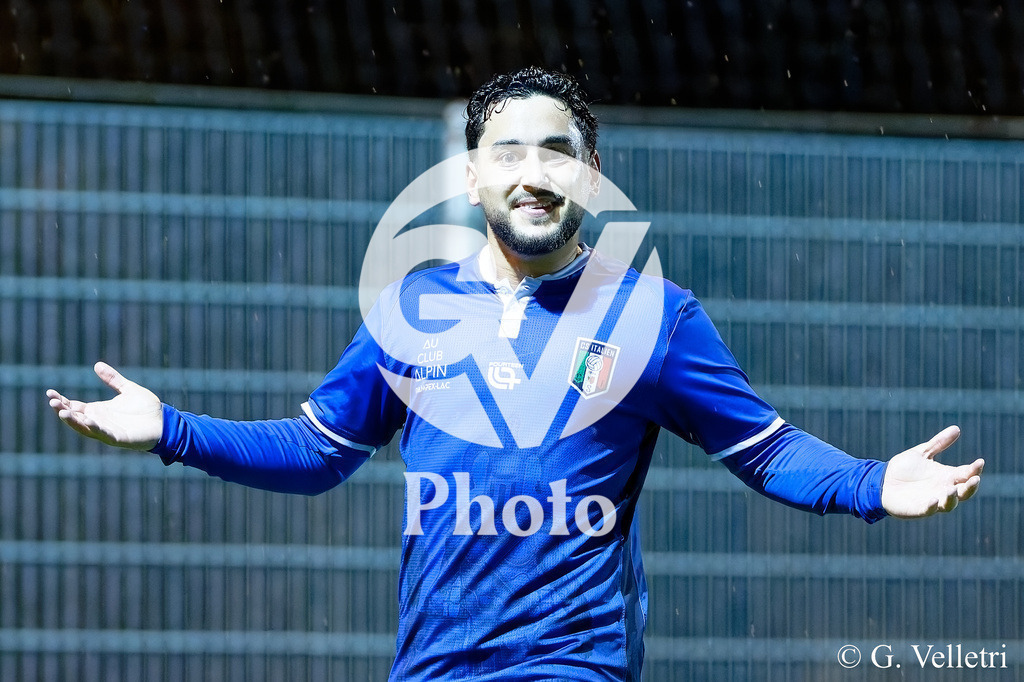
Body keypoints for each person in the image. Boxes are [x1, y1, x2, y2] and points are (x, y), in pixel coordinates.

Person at [47, 66, 984, 681]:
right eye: (510, 151)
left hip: (570, 665)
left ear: (592, 173)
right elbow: (318, 448)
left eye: (559, 152)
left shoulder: (655, 317)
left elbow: (767, 449)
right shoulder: (415, 311)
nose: (534, 173)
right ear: (472, 176)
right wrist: (173, 430)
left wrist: (871, 484)